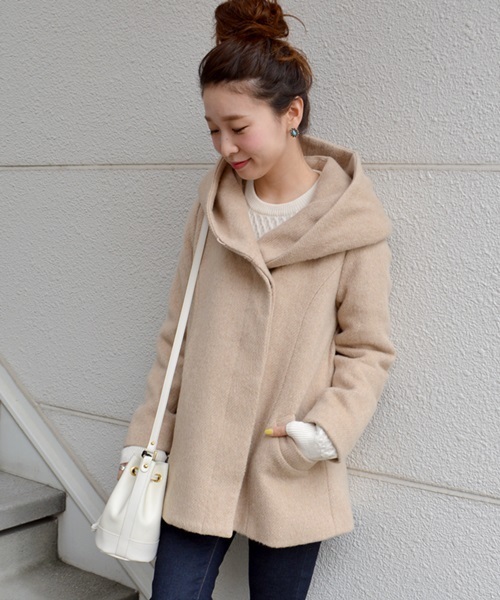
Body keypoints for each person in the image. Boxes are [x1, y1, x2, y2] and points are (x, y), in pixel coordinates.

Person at [120, 1, 395, 598]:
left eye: (238, 127)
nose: (225, 146)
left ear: (291, 112)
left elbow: (367, 349)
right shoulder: (213, 211)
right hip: (200, 456)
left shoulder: (352, 222)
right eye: (212, 129)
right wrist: (148, 437)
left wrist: (325, 430)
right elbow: (178, 334)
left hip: (288, 462)